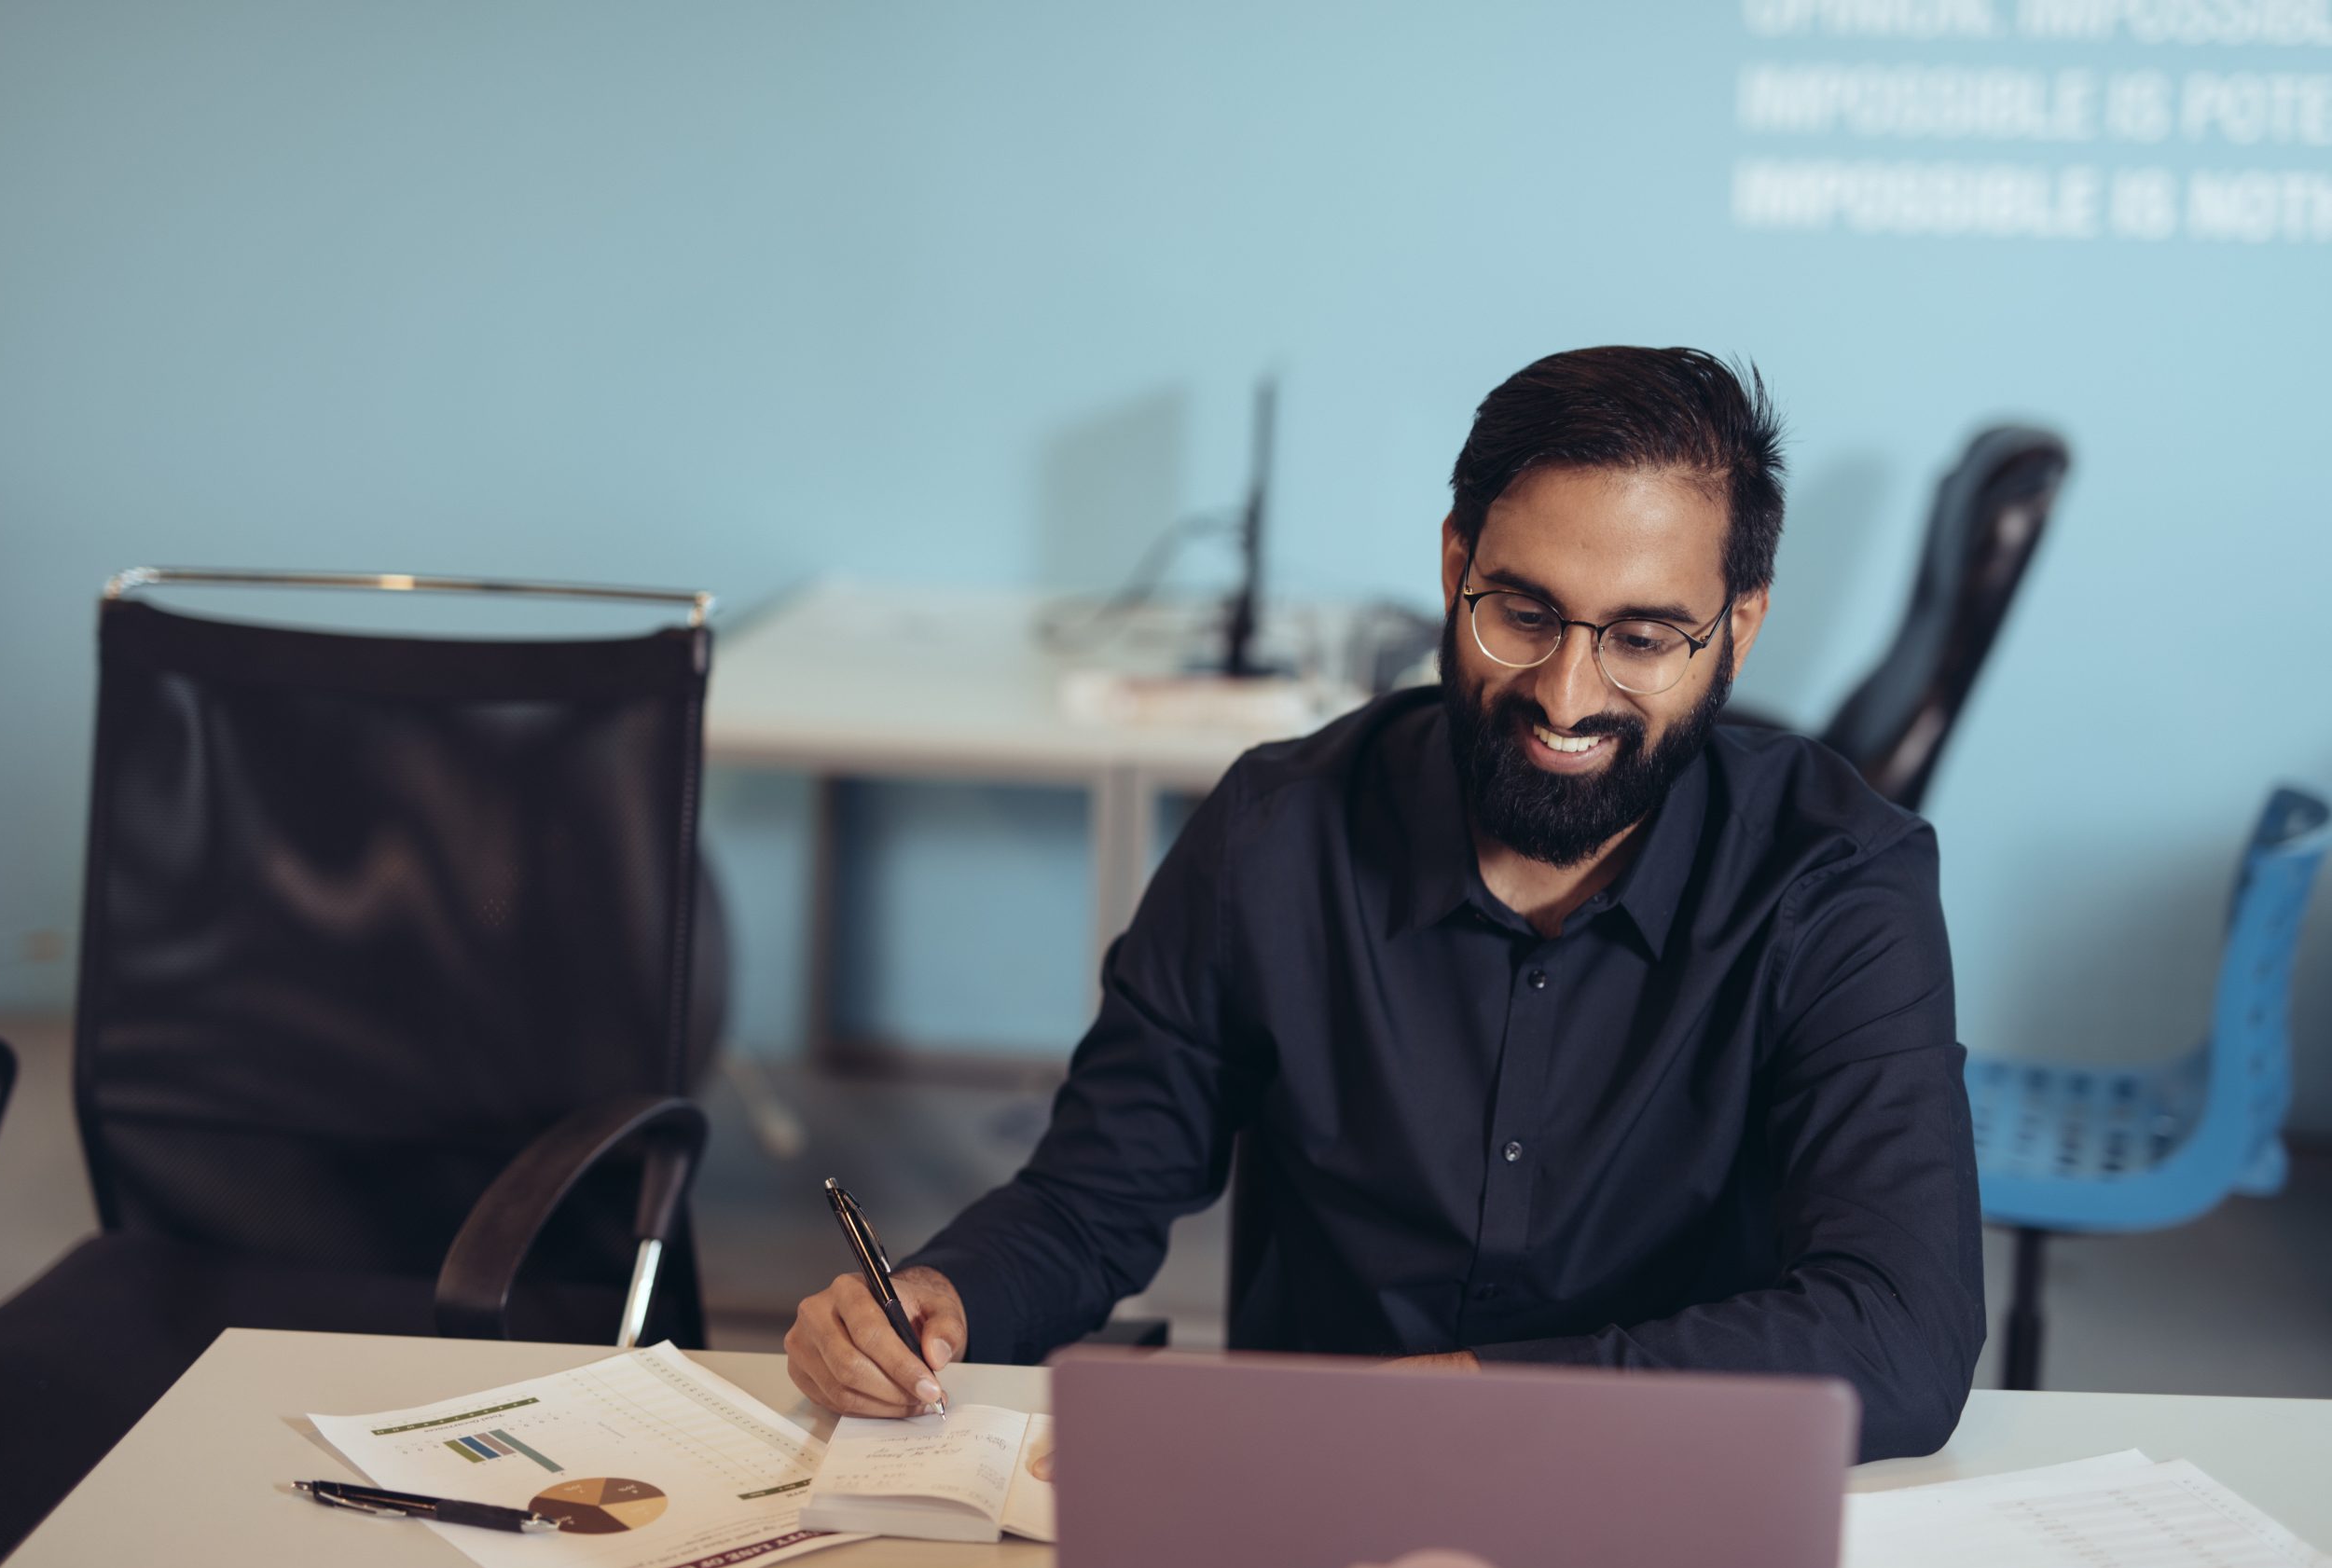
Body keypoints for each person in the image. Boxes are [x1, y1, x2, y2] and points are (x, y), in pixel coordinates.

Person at [783, 346, 1984, 1462]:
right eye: (1523, 612)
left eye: (1644, 637)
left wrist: (1475, 1399)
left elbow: (1899, 1335)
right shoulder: (1275, 831)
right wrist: (944, 1298)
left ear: (1739, 630)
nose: (1568, 693)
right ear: (1456, 569)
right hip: (1314, 1501)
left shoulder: (1838, 882)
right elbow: (1094, 1196)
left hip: (1655, 1500)